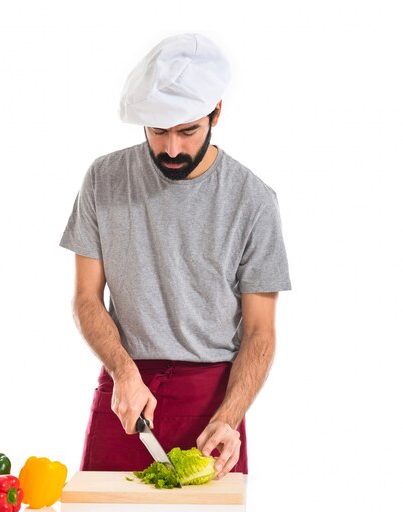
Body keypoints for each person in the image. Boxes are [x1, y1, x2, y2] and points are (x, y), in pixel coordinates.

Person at [59, 33, 291, 478]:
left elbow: (260, 333)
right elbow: (86, 300)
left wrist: (230, 416)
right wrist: (124, 372)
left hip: (213, 407)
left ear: (216, 112)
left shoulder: (253, 201)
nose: (171, 148)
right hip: (126, 395)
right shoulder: (103, 180)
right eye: (157, 130)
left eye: (188, 130)